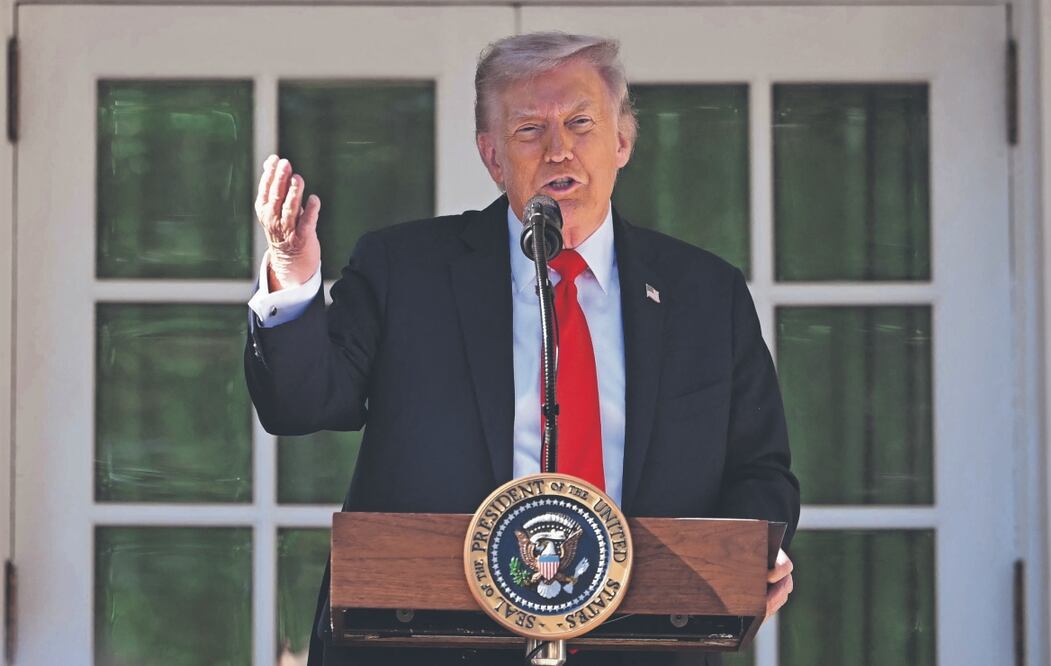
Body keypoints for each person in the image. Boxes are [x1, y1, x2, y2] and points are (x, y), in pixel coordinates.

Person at [246, 32, 799, 666]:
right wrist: (291, 271)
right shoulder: (406, 269)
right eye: (530, 129)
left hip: (646, 644)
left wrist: (752, 558)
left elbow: (760, 469)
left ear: (623, 141)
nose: (559, 149)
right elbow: (299, 404)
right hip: (425, 643)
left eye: (581, 123)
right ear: (492, 156)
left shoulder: (705, 293)